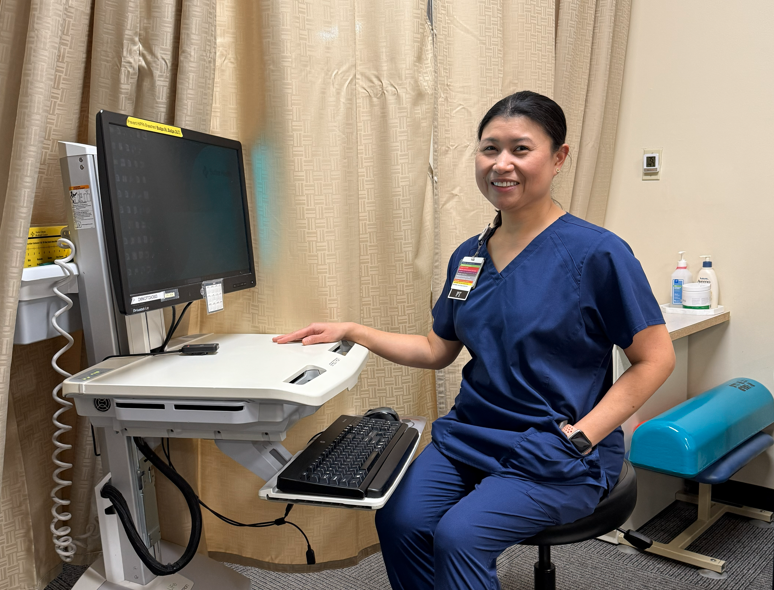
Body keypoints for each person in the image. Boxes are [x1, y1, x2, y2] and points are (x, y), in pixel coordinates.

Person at [273, 90, 675, 590]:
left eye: (520, 149)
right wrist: (355, 331)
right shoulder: (470, 257)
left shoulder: (598, 254)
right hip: (473, 434)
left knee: (461, 535)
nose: (501, 164)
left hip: (557, 447)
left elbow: (655, 358)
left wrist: (581, 436)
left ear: (559, 158)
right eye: (489, 148)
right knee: (399, 521)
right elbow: (437, 349)